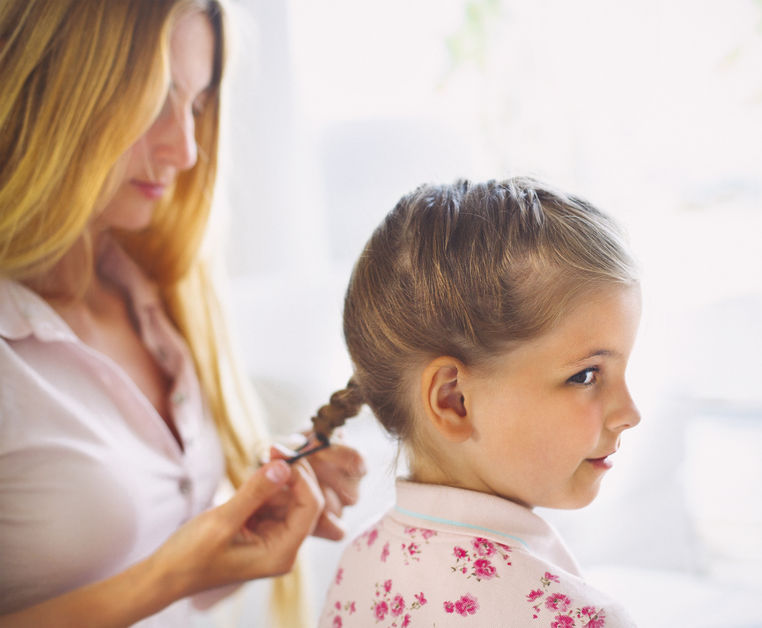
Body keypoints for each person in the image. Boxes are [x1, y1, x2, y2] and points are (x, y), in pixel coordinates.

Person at [0, 1, 365, 626]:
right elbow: (155, 575)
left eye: (196, 105)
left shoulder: (145, 295)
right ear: (48, 89)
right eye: (151, 99)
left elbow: (139, 556)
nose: (187, 149)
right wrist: (173, 574)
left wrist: (240, 518)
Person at [317, 177, 641, 627]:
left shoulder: (357, 567)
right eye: (585, 376)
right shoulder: (576, 618)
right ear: (454, 400)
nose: (631, 414)